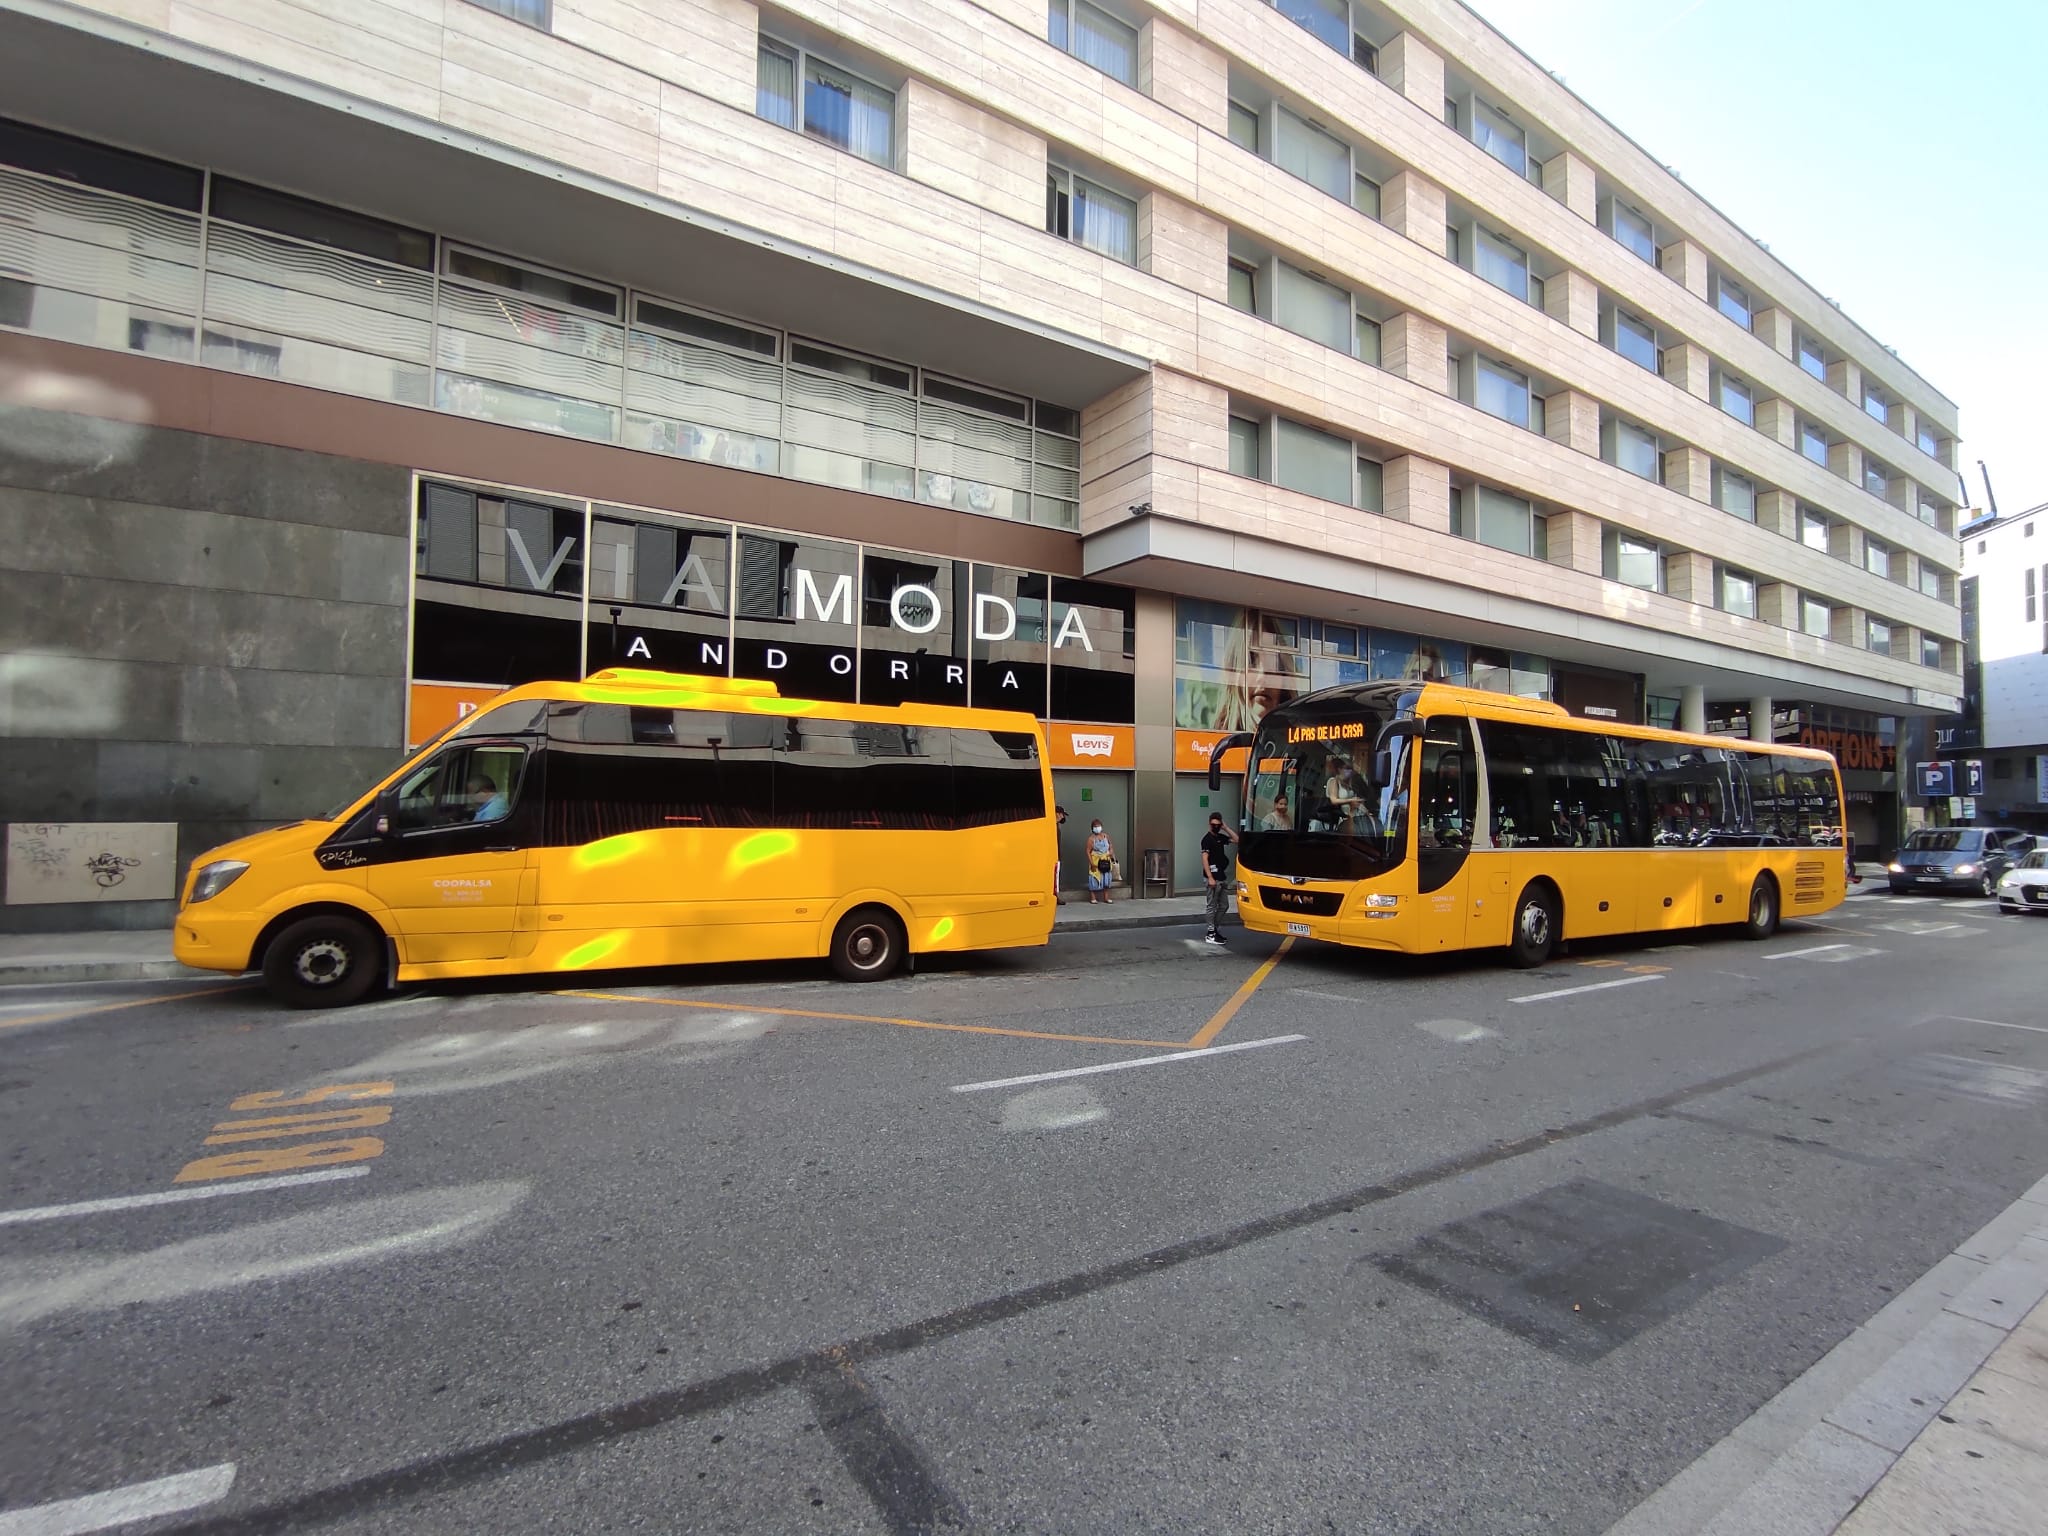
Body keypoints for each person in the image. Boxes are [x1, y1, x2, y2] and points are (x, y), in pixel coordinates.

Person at [1200, 812, 1238, 945]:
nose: (1215, 827)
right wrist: (1210, 877)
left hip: (1221, 876)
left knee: (1224, 905)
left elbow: (1237, 840)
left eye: (1218, 825)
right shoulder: (1207, 839)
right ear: (1209, 824)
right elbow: (1204, 859)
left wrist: (1226, 828)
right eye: (1213, 824)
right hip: (1212, 878)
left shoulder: (1220, 837)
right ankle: (1210, 933)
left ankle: (1214, 929)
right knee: (1211, 905)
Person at [1085, 819, 1116, 904]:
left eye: (1098, 826)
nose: (1097, 828)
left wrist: (1111, 852)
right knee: (1094, 878)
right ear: (1092, 828)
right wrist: (1091, 862)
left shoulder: (1106, 836)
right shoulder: (1091, 839)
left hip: (1106, 860)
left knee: (1106, 878)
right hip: (1096, 860)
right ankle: (1093, 898)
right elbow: (1087, 851)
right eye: (1095, 826)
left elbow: (1111, 845)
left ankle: (1106, 897)